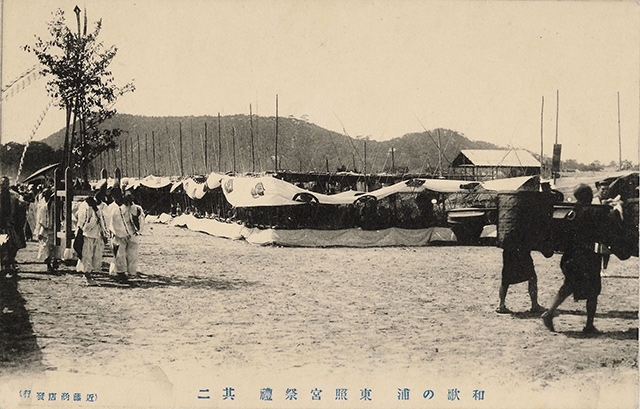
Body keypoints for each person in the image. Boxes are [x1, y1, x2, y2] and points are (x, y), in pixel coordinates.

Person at [541, 184, 617, 334]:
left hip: (570, 256)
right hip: (588, 256)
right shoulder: (593, 212)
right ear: (588, 196)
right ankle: (589, 325)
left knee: (568, 286)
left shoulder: (572, 212)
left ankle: (549, 313)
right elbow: (607, 229)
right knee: (594, 290)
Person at [496, 245, 546, 314]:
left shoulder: (507, 234)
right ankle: (534, 305)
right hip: (523, 251)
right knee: (532, 277)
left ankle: (501, 305)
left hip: (508, 252)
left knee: (505, 279)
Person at [75, 182, 109, 284]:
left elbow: (105, 219)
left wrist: (104, 234)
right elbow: (82, 221)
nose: (101, 195)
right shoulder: (86, 204)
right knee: (87, 255)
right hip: (87, 234)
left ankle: (91, 274)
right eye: (99, 192)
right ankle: (87, 276)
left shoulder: (104, 206)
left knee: (96, 256)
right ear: (95, 193)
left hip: (98, 234)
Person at [109, 189, 144, 282]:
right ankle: (121, 273)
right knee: (120, 254)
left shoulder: (136, 208)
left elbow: (140, 221)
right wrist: (117, 233)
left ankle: (131, 272)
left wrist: (137, 231)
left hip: (132, 234)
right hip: (119, 234)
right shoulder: (115, 209)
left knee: (132, 254)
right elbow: (112, 222)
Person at [36, 187, 57, 272]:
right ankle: (48, 265)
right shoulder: (42, 204)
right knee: (46, 247)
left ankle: (54, 261)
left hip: (53, 228)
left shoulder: (54, 204)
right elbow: (39, 217)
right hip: (44, 228)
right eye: (45, 194)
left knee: (54, 246)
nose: (47, 195)